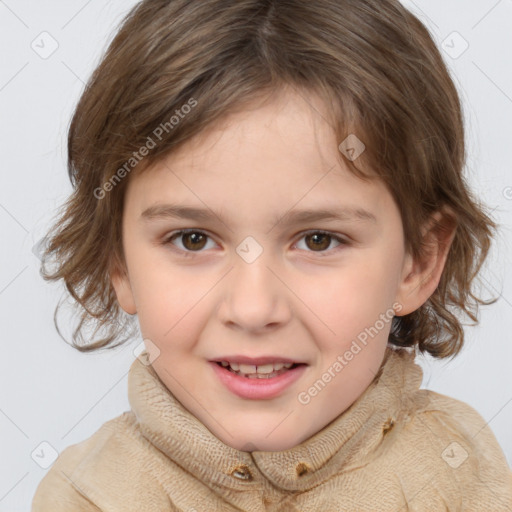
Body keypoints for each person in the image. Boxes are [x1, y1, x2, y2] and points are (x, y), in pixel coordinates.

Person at [32, 0, 512, 510]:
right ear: (119, 262)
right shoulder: (88, 495)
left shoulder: (460, 471)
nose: (254, 308)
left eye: (318, 240)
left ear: (417, 261)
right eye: (193, 239)